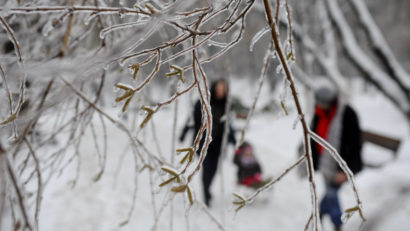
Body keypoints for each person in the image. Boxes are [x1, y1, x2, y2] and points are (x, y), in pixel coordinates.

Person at [309, 83, 363, 231]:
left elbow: (353, 144)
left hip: (340, 166)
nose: (320, 105)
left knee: (331, 194)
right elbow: (314, 137)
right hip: (325, 164)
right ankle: (322, 215)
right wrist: (312, 161)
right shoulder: (319, 112)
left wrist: (342, 170)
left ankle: (333, 221)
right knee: (330, 193)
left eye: (323, 103)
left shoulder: (347, 114)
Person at [180, 79, 236, 206]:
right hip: (203, 143)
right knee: (206, 169)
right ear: (214, 89)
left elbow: (229, 124)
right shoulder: (203, 103)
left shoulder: (226, 104)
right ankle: (206, 194)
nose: (221, 91)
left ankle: (208, 189)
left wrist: (233, 139)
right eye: (219, 88)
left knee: (214, 170)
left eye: (223, 89)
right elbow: (191, 119)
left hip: (218, 144)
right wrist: (184, 133)